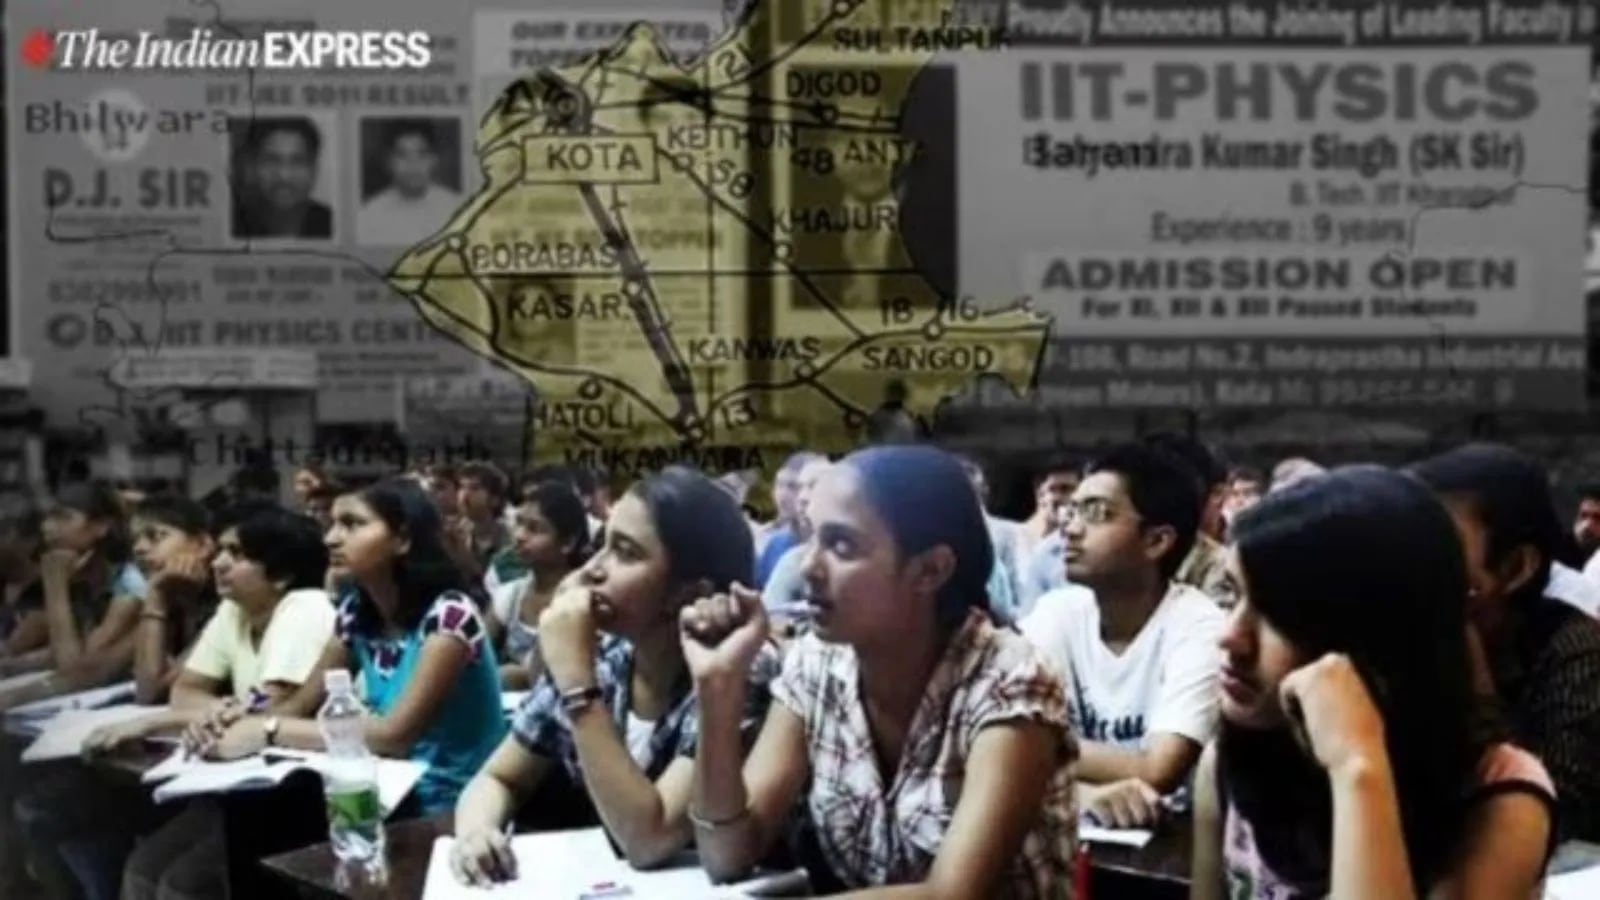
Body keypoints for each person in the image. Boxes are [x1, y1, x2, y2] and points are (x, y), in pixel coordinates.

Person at [683, 446, 1078, 896]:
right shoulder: (817, 664)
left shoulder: (1010, 679)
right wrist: (717, 687)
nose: (808, 566)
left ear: (930, 570)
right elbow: (728, 855)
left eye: (841, 546)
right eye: (811, 537)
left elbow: (950, 895)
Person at [1191, 467, 1554, 899]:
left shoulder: (1500, 797)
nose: (1231, 638)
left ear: (1376, 636)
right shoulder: (1231, 763)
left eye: (1279, 614)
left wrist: (1356, 765)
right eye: (1233, 595)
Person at [451, 466, 778, 881]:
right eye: (601, 545)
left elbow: (650, 838)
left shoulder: (736, 672)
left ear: (689, 591)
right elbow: (499, 777)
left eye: (625, 552)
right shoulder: (607, 656)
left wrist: (576, 683)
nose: (592, 570)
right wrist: (477, 831)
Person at [198, 479, 506, 815]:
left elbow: (393, 736)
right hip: (384, 792)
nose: (331, 538)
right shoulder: (355, 612)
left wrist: (268, 730)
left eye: (352, 524)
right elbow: (300, 705)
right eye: (333, 524)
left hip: (453, 805)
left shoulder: (450, 615)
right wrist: (234, 718)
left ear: (402, 539)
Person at [78, 505, 334, 900]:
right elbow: (185, 691)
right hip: (238, 789)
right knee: (143, 870)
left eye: (237, 554)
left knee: (181, 885)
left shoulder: (306, 606)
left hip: (300, 798)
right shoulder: (233, 608)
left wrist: (152, 723)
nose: (218, 562)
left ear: (281, 574)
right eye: (221, 550)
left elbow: (272, 703)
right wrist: (222, 709)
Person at [1020, 443, 1224, 827]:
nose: (1070, 527)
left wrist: (1034, 747)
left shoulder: (1199, 626)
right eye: (1072, 510)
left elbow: (1158, 769)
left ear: (1156, 541)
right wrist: (1081, 795)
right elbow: (984, 738)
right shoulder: (1056, 613)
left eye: (1097, 513)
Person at [1410, 444, 1600, 842]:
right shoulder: (1406, 626)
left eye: (1439, 542)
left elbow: (1557, 818)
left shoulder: (1576, 648)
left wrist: (1478, 690)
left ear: (1515, 568)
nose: (1415, 560)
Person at [0, 481, 148, 711]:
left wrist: (55, 586)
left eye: (63, 517)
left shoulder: (131, 583)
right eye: (48, 518)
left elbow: (76, 669)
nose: (47, 527)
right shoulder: (80, 576)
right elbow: (53, 653)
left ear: (100, 526)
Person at [486, 481, 591, 688]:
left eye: (534, 529)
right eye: (519, 523)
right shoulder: (512, 595)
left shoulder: (583, 600)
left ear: (568, 543)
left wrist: (519, 676)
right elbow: (476, 650)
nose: (519, 536)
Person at [356, 119, 462, 246]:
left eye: (421, 154)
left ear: (434, 159)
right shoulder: (369, 216)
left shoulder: (457, 208)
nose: (413, 164)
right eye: (402, 155)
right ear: (388, 162)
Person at [230, 117, 334, 240]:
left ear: (314, 169)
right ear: (252, 166)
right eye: (271, 160)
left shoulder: (334, 224)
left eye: (297, 161)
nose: (284, 176)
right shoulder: (230, 225)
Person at [754, 452, 825, 587]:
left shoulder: (835, 548)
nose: (782, 495)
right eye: (779, 485)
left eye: (793, 487)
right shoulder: (775, 543)